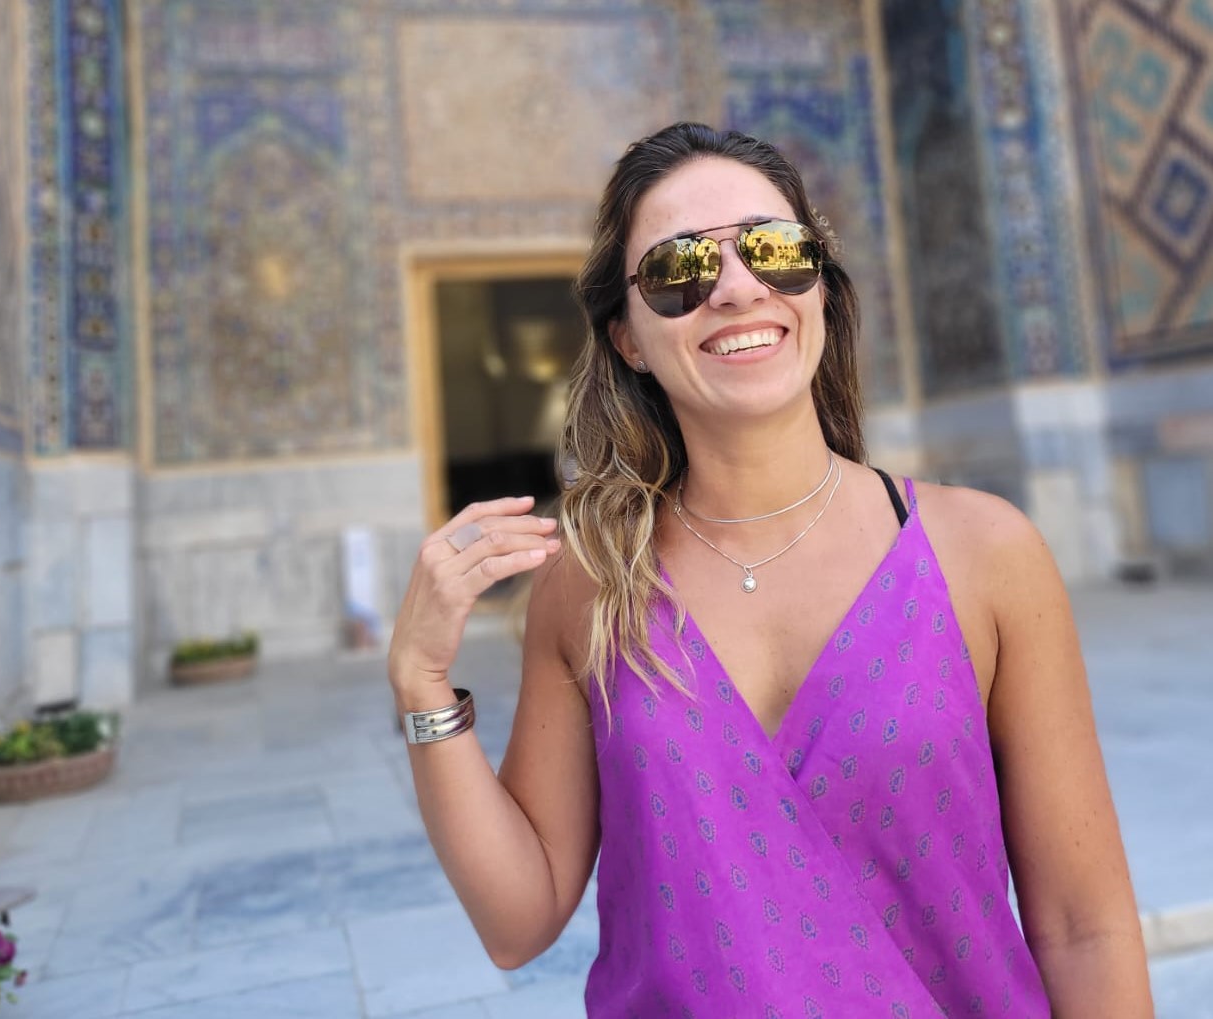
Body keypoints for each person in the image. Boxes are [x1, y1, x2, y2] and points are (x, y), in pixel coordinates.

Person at [388, 122, 1152, 1017]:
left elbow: (1083, 925)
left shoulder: (985, 554)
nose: (737, 288)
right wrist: (421, 680)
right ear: (628, 336)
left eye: (774, 249)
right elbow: (518, 919)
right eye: (678, 269)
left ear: (818, 285)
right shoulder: (595, 586)